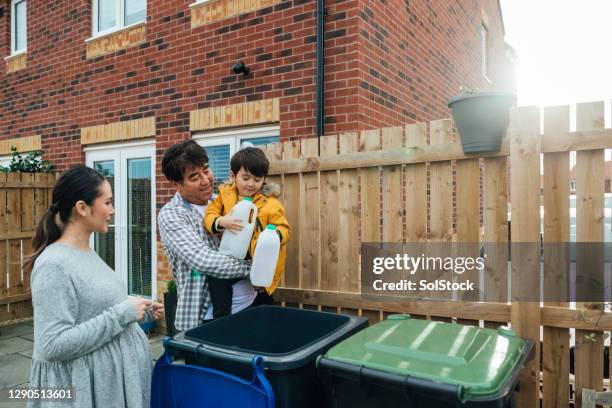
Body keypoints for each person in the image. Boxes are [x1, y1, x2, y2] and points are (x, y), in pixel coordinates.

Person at [26, 165, 163, 408]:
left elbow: (94, 308)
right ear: (82, 208)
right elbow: (52, 345)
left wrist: (138, 310)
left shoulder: (87, 251)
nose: (112, 210)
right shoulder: (53, 265)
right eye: (108, 202)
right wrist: (123, 314)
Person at [157, 140, 252, 331]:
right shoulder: (172, 214)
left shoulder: (223, 202)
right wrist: (253, 270)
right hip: (207, 316)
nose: (205, 180)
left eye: (206, 170)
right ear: (176, 183)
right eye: (194, 177)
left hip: (250, 304)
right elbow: (204, 261)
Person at [204, 147, 290, 318]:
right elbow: (209, 215)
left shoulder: (270, 204)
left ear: (264, 180)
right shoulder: (224, 196)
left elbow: (284, 228)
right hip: (233, 256)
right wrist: (220, 221)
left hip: (259, 261)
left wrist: (273, 235)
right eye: (245, 178)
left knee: (263, 295)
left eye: (257, 179)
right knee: (217, 279)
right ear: (232, 175)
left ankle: (267, 321)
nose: (251, 184)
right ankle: (222, 320)